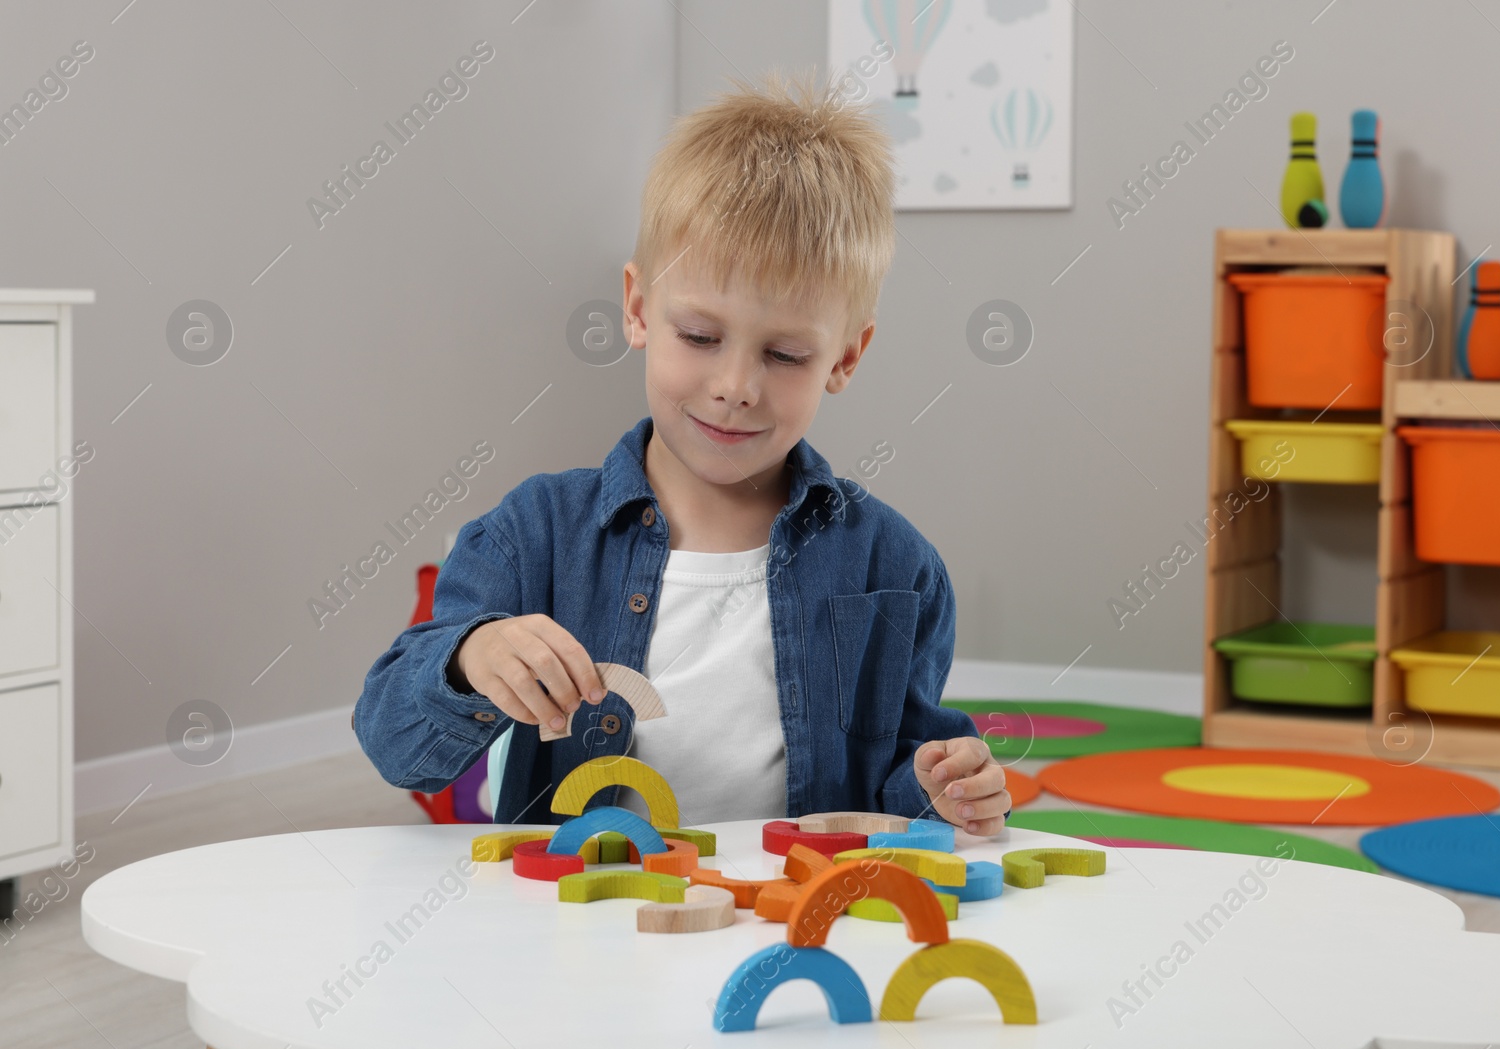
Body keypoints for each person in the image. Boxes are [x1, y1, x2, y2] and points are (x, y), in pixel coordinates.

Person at [354, 68, 1011, 835]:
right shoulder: (535, 532)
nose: (736, 385)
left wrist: (947, 788)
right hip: (580, 924)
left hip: (787, 925)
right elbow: (394, 746)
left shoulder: (895, 568)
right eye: (700, 337)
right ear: (637, 309)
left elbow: (901, 781)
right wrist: (471, 658)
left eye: (787, 354)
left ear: (845, 358)